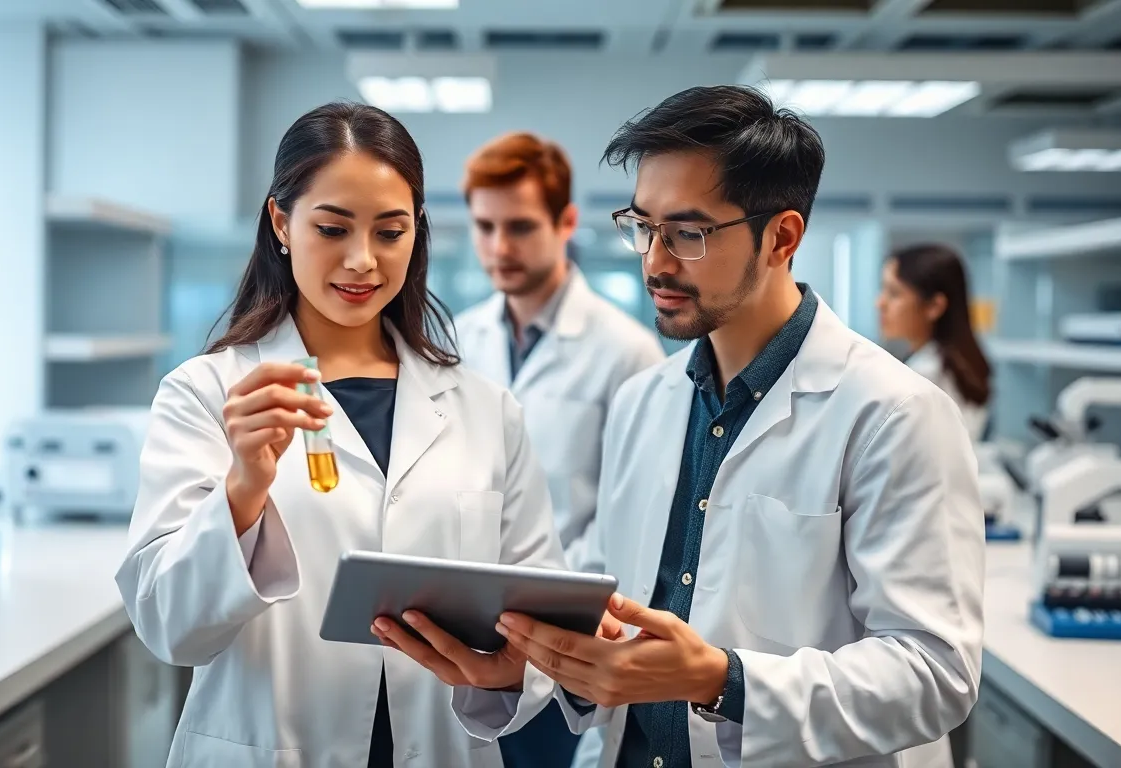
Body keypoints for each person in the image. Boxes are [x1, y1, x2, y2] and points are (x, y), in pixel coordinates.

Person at [377, 85, 985, 768]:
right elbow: (612, 619)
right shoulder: (644, 401)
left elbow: (936, 674)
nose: (655, 261)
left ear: (782, 237)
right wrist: (527, 667)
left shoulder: (894, 414)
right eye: (643, 226)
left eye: (688, 234)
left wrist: (722, 681)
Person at [114, 102, 564, 768]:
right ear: (281, 222)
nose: (362, 261)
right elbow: (166, 626)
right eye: (332, 227)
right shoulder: (206, 394)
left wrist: (508, 671)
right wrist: (243, 488)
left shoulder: (484, 409)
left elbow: (541, 618)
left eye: (390, 231)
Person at [453, 135, 666, 767]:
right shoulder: (458, 340)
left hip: (564, 639)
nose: (500, 247)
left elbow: (631, 515)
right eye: (485, 227)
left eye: (520, 226)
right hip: (468, 633)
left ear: (566, 222)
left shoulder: (625, 353)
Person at [877, 243, 993, 442]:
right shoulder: (952, 362)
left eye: (894, 293)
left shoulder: (927, 377)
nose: (880, 303)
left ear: (934, 306)